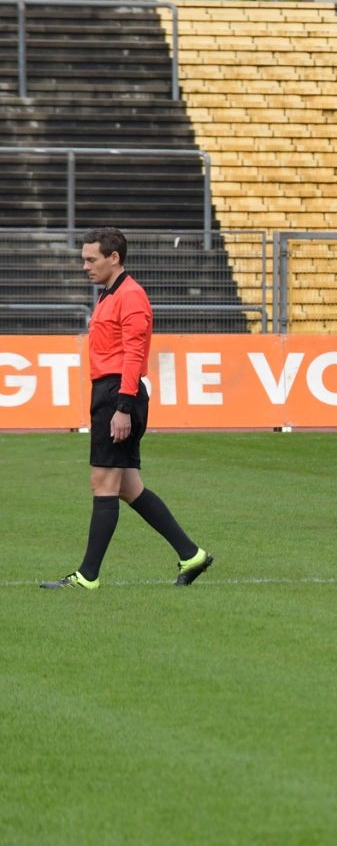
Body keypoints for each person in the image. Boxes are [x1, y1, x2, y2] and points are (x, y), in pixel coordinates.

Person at [42, 227, 213, 590]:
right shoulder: (110, 294)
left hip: (119, 395)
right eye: (84, 259)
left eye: (92, 259)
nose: (85, 266)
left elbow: (134, 354)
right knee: (128, 486)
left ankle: (87, 576)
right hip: (113, 392)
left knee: (103, 482)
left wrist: (122, 407)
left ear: (114, 258)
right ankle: (191, 554)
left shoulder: (130, 296)